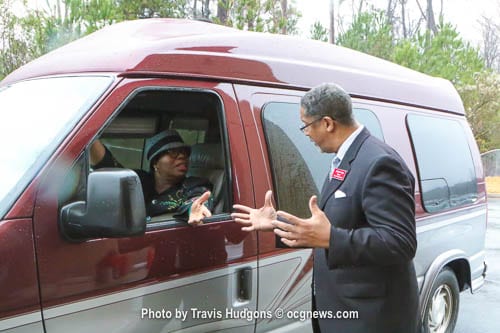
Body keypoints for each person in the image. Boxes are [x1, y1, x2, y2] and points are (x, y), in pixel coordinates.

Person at [232, 83, 419, 333]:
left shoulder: (379, 162)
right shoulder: (347, 156)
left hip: (371, 319)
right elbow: (334, 225)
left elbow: (400, 242)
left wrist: (332, 238)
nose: (305, 133)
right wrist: (276, 222)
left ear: (327, 123)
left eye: (306, 124)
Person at [90, 129, 213, 225]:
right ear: (155, 163)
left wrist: (195, 209)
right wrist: (88, 136)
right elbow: (110, 167)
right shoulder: (139, 180)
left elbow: (198, 200)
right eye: (173, 152)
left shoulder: (194, 184)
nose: (182, 157)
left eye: (184, 153)